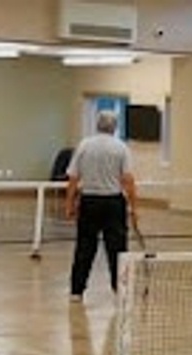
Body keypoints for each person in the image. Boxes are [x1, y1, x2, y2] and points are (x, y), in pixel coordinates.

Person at [65, 110, 138, 302]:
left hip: (89, 201)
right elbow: (128, 179)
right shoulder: (121, 148)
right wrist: (134, 207)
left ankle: (76, 291)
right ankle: (119, 288)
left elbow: (73, 177)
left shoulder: (84, 145)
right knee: (117, 249)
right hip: (113, 203)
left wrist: (69, 204)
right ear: (114, 127)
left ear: (97, 125)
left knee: (84, 247)